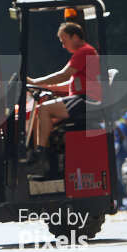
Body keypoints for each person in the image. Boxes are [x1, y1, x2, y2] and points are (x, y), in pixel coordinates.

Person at [25, 22, 102, 175]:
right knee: (46, 119)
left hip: (86, 100)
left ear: (74, 36)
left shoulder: (84, 52)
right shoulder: (84, 54)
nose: (63, 45)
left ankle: (40, 154)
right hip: (81, 98)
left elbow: (63, 75)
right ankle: (50, 163)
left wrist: (35, 82)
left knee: (44, 109)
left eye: (63, 40)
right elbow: (68, 84)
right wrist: (48, 87)